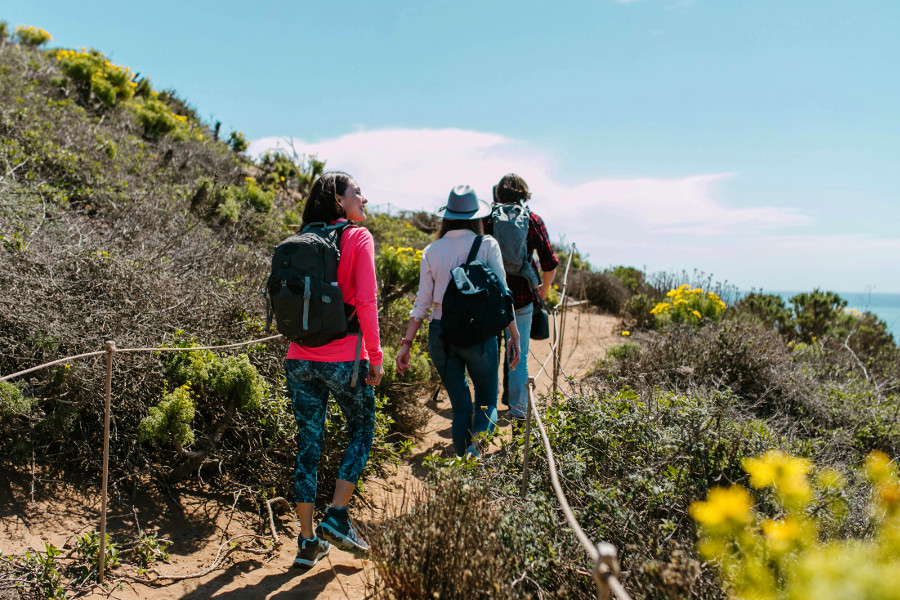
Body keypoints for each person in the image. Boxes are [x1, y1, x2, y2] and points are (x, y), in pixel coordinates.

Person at [285, 171, 384, 569]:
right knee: (361, 430)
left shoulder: (298, 241)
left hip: (299, 357)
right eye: (357, 193)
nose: (364, 198)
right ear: (339, 201)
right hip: (345, 358)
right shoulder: (358, 238)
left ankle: (307, 542)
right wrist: (375, 357)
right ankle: (338, 516)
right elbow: (367, 300)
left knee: (308, 444)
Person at [395, 185, 521, 457]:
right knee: (487, 401)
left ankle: (462, 460)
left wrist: (406, 344)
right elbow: (502, 293)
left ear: (447, 215)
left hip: (440, 333)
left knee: (461, 406)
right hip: (479, 333)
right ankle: (474, 457)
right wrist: (514, 334)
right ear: (477, 216)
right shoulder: (487, 244)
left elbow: (422, 303)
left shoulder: (431, 250)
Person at [484, 173, 558, 420]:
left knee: (488, 352)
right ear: (524, 194)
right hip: (522, 298)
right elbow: (549, 262)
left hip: (489, 295)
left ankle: (486, 410)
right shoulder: (533, 220)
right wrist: (543, 291)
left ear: (498, 193)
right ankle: (517, 413)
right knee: (519, 355)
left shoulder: (486, 218)